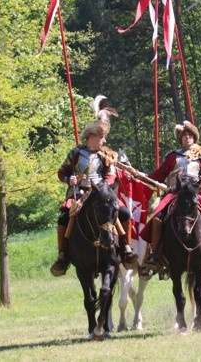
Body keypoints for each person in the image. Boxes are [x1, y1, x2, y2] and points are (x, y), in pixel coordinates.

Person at [50, 96, 137, 277]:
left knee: (123, 213)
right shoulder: (75, 153)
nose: (104, 141)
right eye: (101, 137)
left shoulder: (105, 155)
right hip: (79, 192)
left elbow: (111, 173)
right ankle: (63, 255)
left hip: (101, 193)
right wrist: (69, 179)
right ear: (91, 137)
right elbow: (61, 172)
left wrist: (103, 186)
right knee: (65, 217)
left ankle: (125, 248)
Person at [139, 120, 201, 275]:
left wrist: (196, 183)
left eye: (190, 135)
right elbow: (158, 175)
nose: (187, 138)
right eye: (184, 135)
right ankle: (154, 254)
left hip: (197, 193)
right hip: (175, 194)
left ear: (194, 137)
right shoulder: (172, 157)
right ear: (180, 138)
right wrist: (142, 176)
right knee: (157, 218)